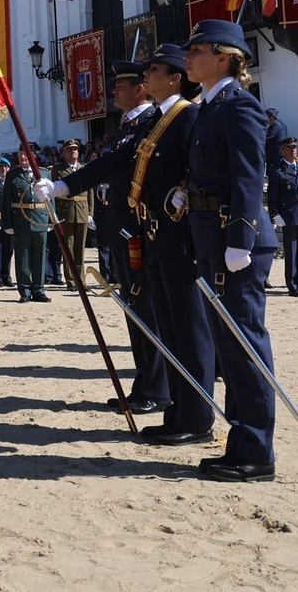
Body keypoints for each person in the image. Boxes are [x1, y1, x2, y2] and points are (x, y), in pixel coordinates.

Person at [37, 51, 195, 428]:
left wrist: (66, 186)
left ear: (140, 89)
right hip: (123, 231)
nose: (114, 91)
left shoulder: (160, 121)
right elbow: (111, 166)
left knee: (149, 312)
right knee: (136, 311)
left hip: (145, 230)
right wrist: (63, 186)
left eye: (121, 85)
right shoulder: (130, 127)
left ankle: (157, 387)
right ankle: (147, 384)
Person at [180, 20, 279, 482]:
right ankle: (241, 443)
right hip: (210, 237)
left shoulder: (240, 105)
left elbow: (248, 175)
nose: (188, 57)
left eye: (196, 50)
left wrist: (241, 237)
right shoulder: (209, 106)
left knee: (244, 346)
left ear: (223, 57)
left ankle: (257, 452)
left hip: (233, 241)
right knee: (228, 348)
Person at [268, 138, 298, 297]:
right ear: (282, 150)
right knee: (292, 252)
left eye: (295, 147)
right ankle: (292, 284)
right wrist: (275, 214)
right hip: (289, 215)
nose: (293, 150)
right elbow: (272, 194)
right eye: (289, 148)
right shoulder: (278, 169)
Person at [3, 150, 50, 303]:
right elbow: (6, 200)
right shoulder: (12, 175)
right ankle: (25, 290)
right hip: (20, 219)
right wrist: (7, 223)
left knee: (40, 256)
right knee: (22, 256)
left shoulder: (44, 173)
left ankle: (39, 289)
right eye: (21, 155)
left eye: (26, 154)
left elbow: (50, 197)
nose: (23, 157)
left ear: (34, 156)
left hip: (40, 218)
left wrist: (51, 219)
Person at [48, 139, 93, 290]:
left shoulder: (84, 168)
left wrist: (90, 212)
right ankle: (71, 281)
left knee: (80, 249)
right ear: (64, 153)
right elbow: (53, 192)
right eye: (69, 150)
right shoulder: (58, 169)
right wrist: (54, 214)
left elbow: (90, 191)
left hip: (82, 211)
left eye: (75, 149)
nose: (73, 152)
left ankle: (81, 281)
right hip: (66, 212)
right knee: (68, 248)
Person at [0, 156, 15, 287]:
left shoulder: (12, 182)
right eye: (0, 166)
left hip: (10, 220)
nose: (2, 169)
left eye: (5, 167)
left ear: (9, 168)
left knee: (9, 249)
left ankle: (7, 275)